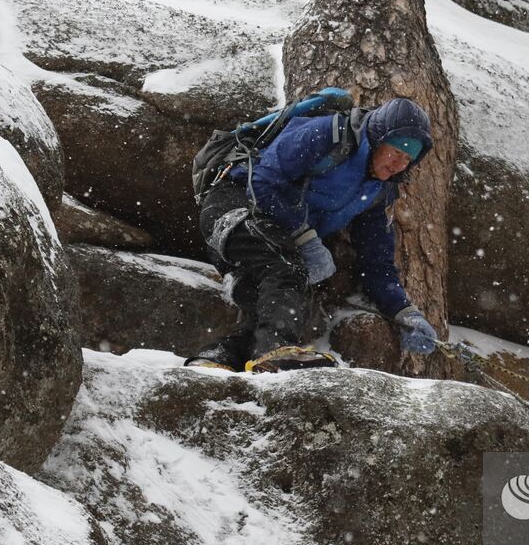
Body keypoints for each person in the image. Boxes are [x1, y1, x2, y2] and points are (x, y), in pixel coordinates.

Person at [186, 97, 439, 372]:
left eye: (408, 159)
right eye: (395, 151)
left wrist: (404, 312)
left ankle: (217, 358)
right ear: (378, 139)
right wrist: (305, 237)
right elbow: (262, 182)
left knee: (284, 301)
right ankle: (273, 354)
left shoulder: (379, 192)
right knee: (287, 270)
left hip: (269, 236)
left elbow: (375, 260)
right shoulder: (327, 135)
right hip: (232, 207)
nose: (399, 164)